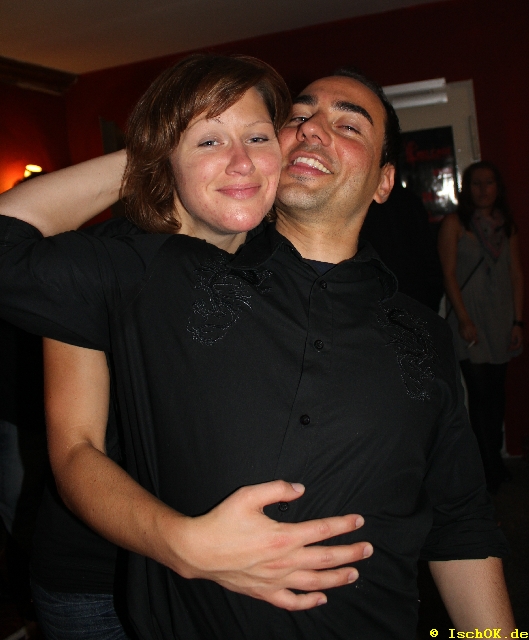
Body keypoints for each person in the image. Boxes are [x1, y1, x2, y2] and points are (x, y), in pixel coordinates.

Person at [0, 59, 515, 639]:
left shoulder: (422, 333)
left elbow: (460, 525)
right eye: (296, 118)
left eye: (349, 125)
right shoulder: (162, 274)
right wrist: (167, 150)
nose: (312, 128)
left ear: (383, 181)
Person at [438, 161, 524, 493]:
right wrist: (463, 319)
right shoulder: (455, 223)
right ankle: (486, 467)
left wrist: (517, 321)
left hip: (500, 318)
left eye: (489, 183)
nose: (483, 189)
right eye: (476, 183)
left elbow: (516, 274)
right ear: (467, 189)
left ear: (497, 188)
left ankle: (495, 462)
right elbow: (448, 275)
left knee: (497, 395)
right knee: (480, 396)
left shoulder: (506, 226)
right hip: (469, 319)